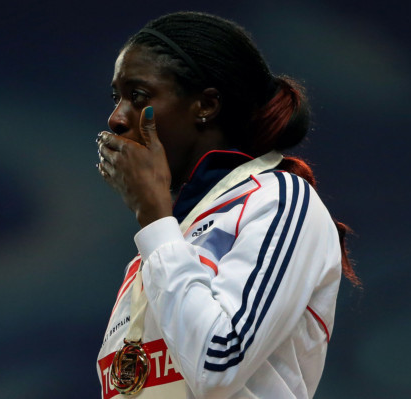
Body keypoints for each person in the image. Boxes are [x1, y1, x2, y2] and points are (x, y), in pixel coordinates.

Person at [95, 11, 359, 399]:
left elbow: (218, 362)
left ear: (206, 104)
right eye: (116, 98)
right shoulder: (154, 252)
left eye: (138, 96)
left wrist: (153, 217)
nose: (116, 118)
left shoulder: (278, 199)